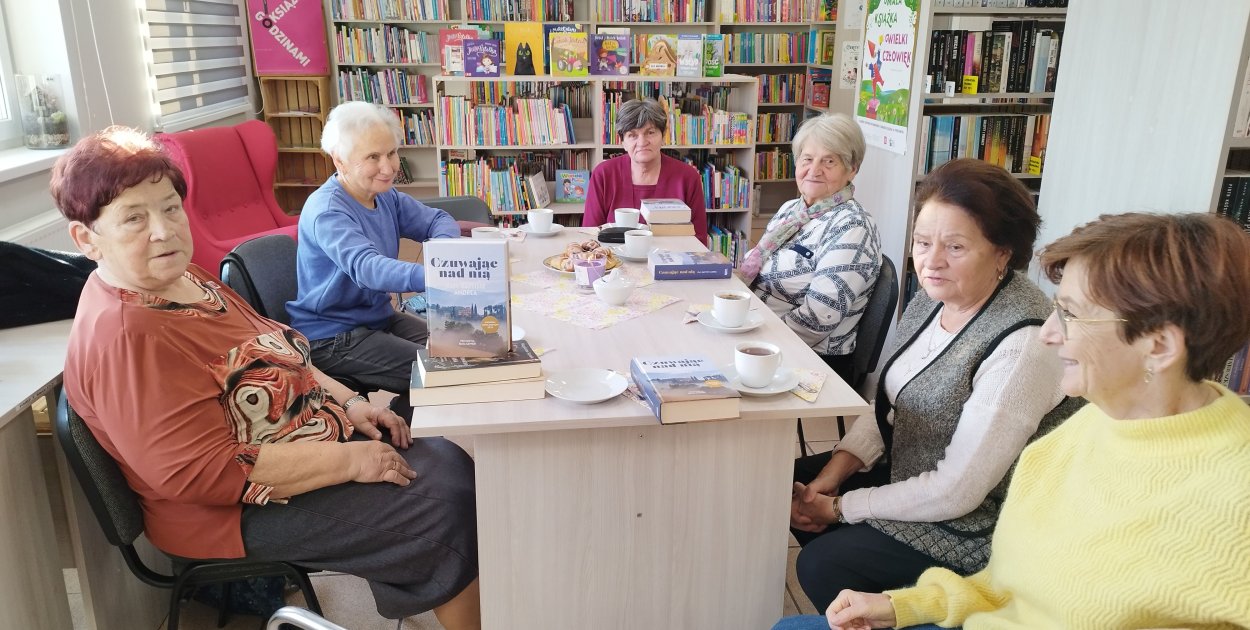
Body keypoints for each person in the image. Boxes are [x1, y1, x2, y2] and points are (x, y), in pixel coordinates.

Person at [54, 126, 481, 628]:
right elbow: (202, 473)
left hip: (300, 444)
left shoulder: (184, 278)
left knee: (449, 465)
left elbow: (281, 350)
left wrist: (349, 403)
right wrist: (351, 460)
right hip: (233, 510)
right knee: (438, 510)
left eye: (170, 208)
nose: (163, 230)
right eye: (134, 218)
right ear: (86, 238)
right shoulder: (128, 334)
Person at [783, 211, 1250, 630]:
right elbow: (1007, 582)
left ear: (1160, 346)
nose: (1047, 332)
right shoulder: (1075, 436)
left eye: (1070, 315)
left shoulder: (1232, 503)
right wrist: (904, 606)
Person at [787, 158, 1084, 613]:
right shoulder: (933, 296)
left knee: (824, 563)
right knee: (789, 485)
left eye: (956, 247)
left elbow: (957, 491)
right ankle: (868, 599)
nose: (932, 261)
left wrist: (840, 507)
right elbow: (892, 403)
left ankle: (890, 610)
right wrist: (834, 475)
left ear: (1003, 253)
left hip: (983, 518)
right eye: (923, 243)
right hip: (915, 467)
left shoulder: (1022, 343)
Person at [286, 101, 460, 410]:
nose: (388, 167)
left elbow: (438, 220)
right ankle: (398, 425)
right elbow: (367, 269)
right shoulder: (327, 210)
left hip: (377, 319)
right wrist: (437, 275)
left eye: (391, 153)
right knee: (445, 372)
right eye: (373, 157)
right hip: (333, 336)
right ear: (340, 160)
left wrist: (443, 255)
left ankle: (405, 415)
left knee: (465, 350)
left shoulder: (385, 195)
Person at [740, 113, 881, 375]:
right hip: (761, 333)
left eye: (829, 161)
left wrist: (752, 342)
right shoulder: (792, 209)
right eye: (807, 159)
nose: (814, 170)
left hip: (808, 359)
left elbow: (818, 318)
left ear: (852, 169)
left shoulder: (852, 227)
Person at [581, 97, 708, 242]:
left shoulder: (688, 177)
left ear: (663, 136)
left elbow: (699, 241)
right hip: (613, 256)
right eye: (632, 135)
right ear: (622, 142)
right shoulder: (603, 175)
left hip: (674, 256)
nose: (642, 142)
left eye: (650, 132)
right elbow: (590, 236)